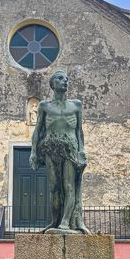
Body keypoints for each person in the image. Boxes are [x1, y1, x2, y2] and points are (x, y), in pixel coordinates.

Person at [30, 70, 89, 234]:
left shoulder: (76, 105)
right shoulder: (44, 106)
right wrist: (33, 152)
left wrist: (82, 151)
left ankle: (65, 222)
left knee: (69, 185)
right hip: (51, 148)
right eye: (60, 78)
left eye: (67, 79)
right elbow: (37, 131)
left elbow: (79, 131)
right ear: (53, 84)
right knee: (55, 187)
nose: (65, 81)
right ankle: (55, 221)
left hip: (70, 148)